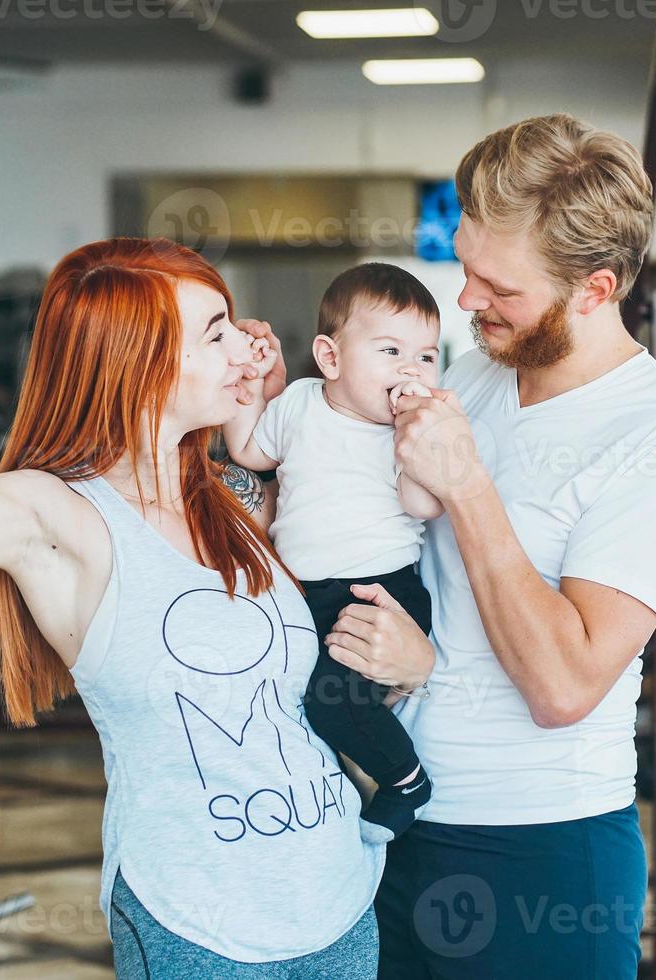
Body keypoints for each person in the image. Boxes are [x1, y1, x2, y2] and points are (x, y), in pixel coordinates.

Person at [0, 237, 386, 977]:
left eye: (233, 323)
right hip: (205, 928)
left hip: (337, 897)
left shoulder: (231, 498)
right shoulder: (59, 519)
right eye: (215, 332)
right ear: (139, 362)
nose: (244, 342)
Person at [316, 114, 656, 977]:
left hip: (542, 857)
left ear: (595, 288)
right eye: (466, 268)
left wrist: (467, 487)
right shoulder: (477, 372)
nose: (466, 301)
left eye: (495, 285)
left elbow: (564, 685)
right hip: (404, 824)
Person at [224, 262, 443, 844]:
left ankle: (405, 780)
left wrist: (417, 433)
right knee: (292, 694)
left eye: (426, 355)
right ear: (330, 357)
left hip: (382, 591)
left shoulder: (406, 432)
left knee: (334, 700)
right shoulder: (297, 404)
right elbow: (248, 451)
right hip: (307, 593)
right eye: (391, 350)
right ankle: (322, 800)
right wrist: (248, 386)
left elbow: (423, 506)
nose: (410, 369)